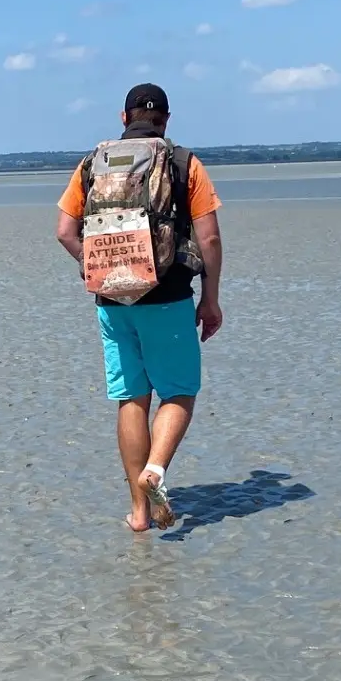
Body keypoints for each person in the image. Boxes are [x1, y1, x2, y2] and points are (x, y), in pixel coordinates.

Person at [54, 83, 224, 532]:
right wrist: (210, 298)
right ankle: (157, 470)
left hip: (112, 300)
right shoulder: (183, 162)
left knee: (131, 398)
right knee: (179, 391)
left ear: (123, 116)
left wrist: (100, 269)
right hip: (167, 296)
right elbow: (208, 238)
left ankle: (139, 515)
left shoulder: (93, 164)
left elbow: (65, 231)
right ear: (166, 120)